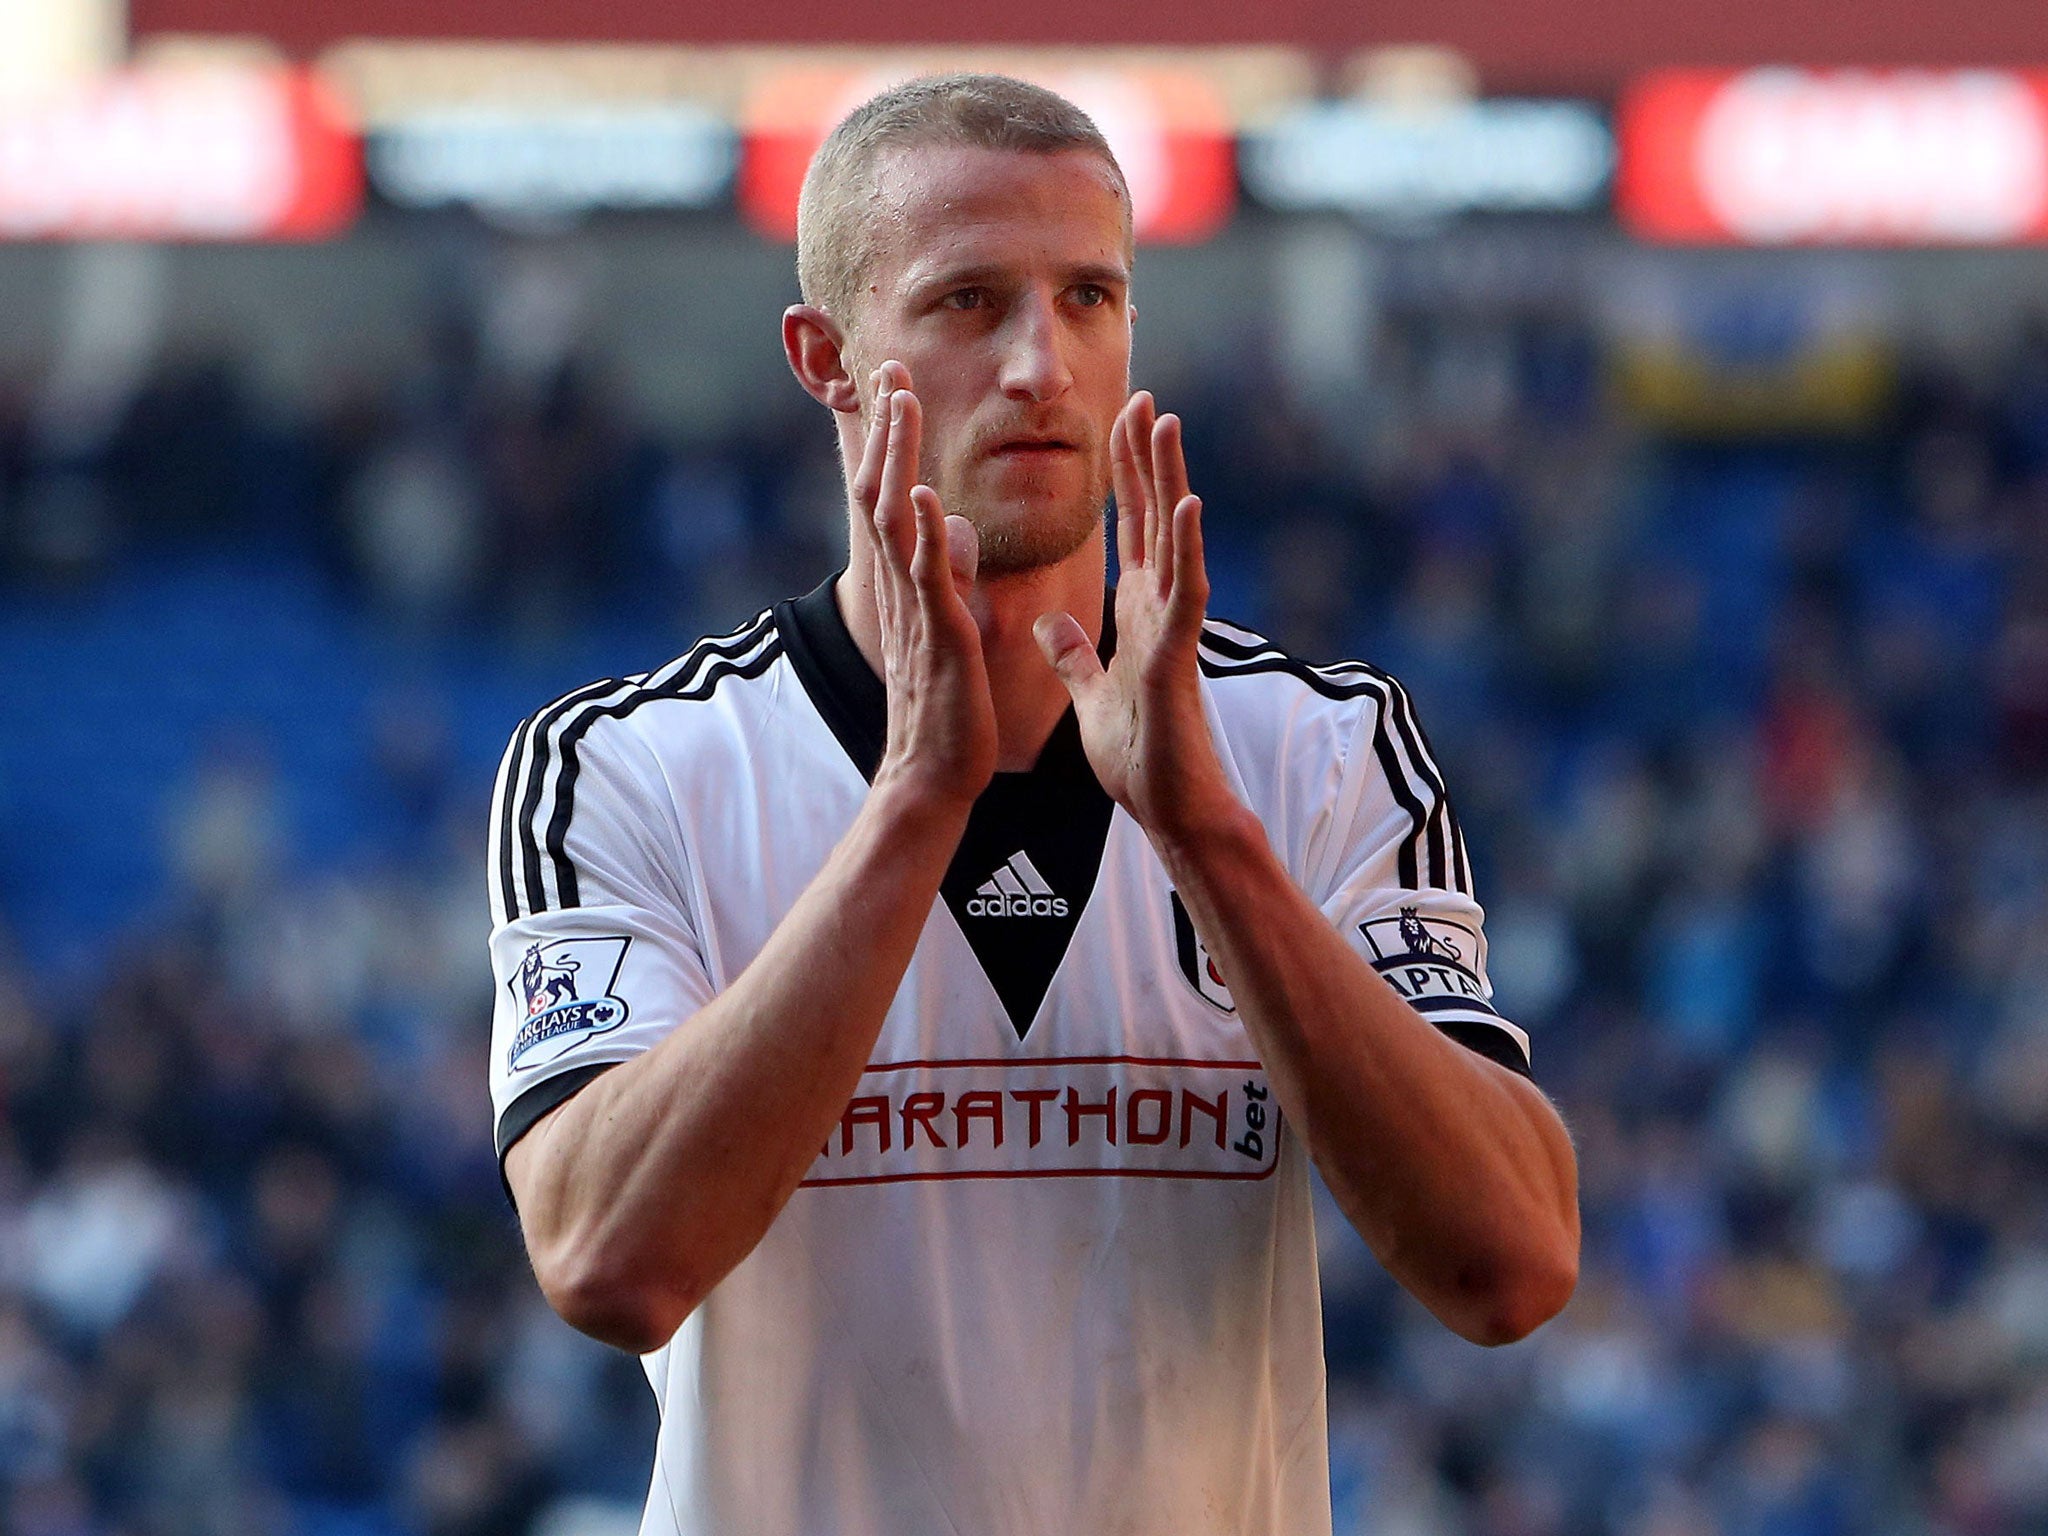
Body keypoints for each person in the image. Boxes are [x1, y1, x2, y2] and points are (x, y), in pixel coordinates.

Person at [485, 73, 1578, 1535]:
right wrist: (912, 809)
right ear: (826, 358)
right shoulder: (627, 764)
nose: (1040, 366)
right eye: (966, 304)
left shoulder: (1317, 749)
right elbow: (609, 1260)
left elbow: (1511, 1268)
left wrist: (1209, 841)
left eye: (1087, 298)